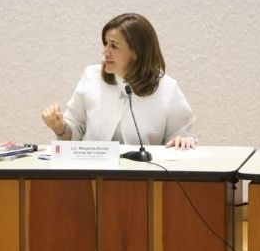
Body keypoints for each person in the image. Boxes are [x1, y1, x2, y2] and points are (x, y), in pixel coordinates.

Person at [41, 13, 196, 149]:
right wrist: (59, 127)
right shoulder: (92, 77)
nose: (105, 52)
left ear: (136, 52)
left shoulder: (166, 88)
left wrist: (180, 140)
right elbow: (75, 131)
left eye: (113, 46)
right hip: (92, 175)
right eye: (105, 43)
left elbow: (178, 135)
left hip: (144, 177)